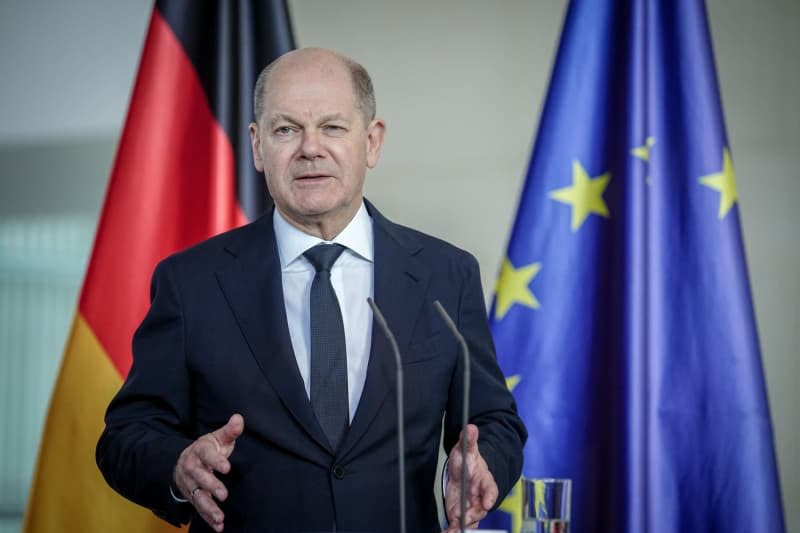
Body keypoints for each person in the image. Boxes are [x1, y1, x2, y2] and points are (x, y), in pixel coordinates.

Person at [96, 47, 526, 533]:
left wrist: (479, 462)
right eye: (286, 129)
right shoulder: (191, 282)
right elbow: (126, 436)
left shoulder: (447, 275)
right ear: (258, 147)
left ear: (372, 141)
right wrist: (176, 466)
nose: (309, 148)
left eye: (332, 127)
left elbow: (494, 419)